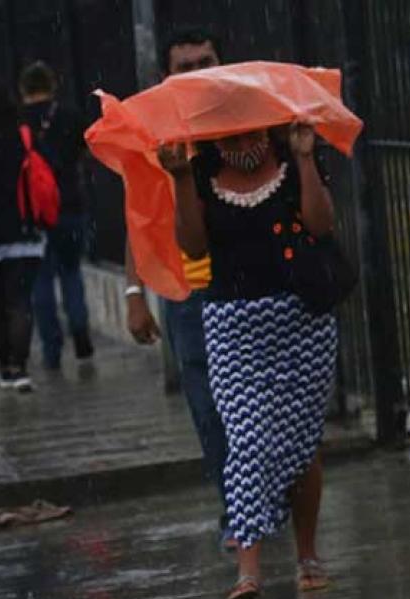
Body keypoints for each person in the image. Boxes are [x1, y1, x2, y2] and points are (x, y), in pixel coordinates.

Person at [160, 121, 337, 599]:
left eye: (247, 132)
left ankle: (306, 555)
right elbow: (193, 247)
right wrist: (178, 178)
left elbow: (321, 225)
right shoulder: (199, 171)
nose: (238, 143)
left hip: (302, 321)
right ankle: (248, 569)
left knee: (302, 442)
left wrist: (303, 159)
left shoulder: (294, 154)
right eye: (227, 134)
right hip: (232, 327)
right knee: (246, 439)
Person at [123, 27, 232, 547]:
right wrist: (133, 294)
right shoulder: (152, 132)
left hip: (246, 285)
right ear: (167, 76)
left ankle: (256, 499)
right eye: (184, 66)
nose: (197, 73)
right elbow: (139, 215)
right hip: (187, 296)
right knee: (209, 411)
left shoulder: (243, 117)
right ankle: (237, 509)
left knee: (253, 406)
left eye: (204, 61)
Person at [19, 61, 94, 371]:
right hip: (69, 206)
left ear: (24, 89)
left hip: (34, 214)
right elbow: (84, 153)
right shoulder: (70, 115)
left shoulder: (18, 122)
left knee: (40, 282)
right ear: (52, 84)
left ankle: (52, 349)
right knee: (72, 272)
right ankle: (81, 335)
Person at [0, 82, 44, 393]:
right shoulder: (22, 136)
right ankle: (21, 366)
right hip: (22, 229)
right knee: (19, 301)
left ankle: (4, 365)